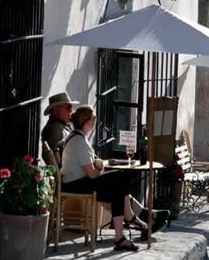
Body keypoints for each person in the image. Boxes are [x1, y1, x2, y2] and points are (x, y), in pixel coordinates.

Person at [61, 105, 148, 252]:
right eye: (93, 119)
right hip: (74, 184)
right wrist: (100, 168)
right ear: (86, 122)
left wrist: (98, 164)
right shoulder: (78, 141)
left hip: (77, 182)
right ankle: (129, 220)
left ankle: (121, 235)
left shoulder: (79, 138)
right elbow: (92, 174)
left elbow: (90, 165)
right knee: (119, 178)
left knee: (118, 187)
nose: (95, 122)